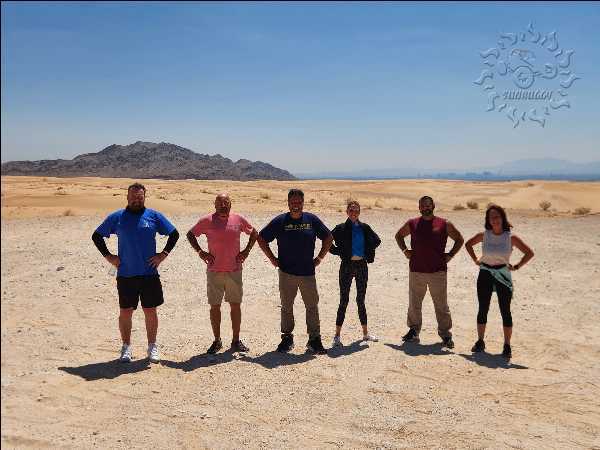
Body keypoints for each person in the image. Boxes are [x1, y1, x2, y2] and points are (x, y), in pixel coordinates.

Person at [91, 183, 179, 363]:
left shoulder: (153, 216)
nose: (136, 200)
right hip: (126, 274)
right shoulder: (117, 217)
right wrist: (109, 257)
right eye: (133, 197)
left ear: (144, 197)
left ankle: (152, 346)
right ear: (127, 197)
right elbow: (97, 236)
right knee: (125, 312)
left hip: (149, 273)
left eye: (140, 197)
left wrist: (162, 255)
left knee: (150, 310)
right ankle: (126, 347)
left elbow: (174, 234)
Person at [257, 189, 333, 354]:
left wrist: (320, 258)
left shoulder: (311, 220)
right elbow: (261, 238)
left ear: (303, 203)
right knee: (286, 306)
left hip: (307, 273)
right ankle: (287, 338)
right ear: (288, 203)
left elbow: (328, 237)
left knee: (312, 306)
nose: (296, 205)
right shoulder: (280, 221)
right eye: (293, 202)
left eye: (299, 202)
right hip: (286, 273)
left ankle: (314, 339)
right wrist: (272, 258)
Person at [186, 193, 258, 354]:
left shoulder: (238, 219)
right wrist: (200, 252)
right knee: (215, 306)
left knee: (235, 305)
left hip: (234, 270)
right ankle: (217, 340)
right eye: (220, 203)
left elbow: (254, 232)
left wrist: (246, 251)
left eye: (226, 202)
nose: (223, 205)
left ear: (230, 204)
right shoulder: (206, 220)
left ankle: (236, 340)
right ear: (215, 205)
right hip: (214, 271)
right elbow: (190, 234)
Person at [464, 204, 534, 359]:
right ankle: (480, 341)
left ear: (502, 218)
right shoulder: (484, 235)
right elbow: (468, 244)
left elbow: (529, 253)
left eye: (497, 216)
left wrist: (517, 266)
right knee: (483, 308)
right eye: (491, 217)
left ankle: (507, 345)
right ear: (488, 220)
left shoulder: (511, 238)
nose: (494, 220)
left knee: (505, 311)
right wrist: (476, 259)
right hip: (485, 273)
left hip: (503, 274)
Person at [395, 196, 464, 349]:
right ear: (419, 208)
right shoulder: (412, 223)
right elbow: (398, 235)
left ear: (433, 206)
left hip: (437, 271)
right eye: (422, 205)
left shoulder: (444, 223)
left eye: (428, 205)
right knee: (414, 303)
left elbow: (459, 239)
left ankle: (445, 334)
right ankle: (414, 330)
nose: (425, 208)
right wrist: (405, 250)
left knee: (441, 305)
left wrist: (451, 255)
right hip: (416, 270)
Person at [329, 200, 381, 347]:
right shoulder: (340, 228)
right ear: (347, 212)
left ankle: (365, 334)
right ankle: (337, 336)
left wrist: (368, 251)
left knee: (361, 300)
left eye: (356, 210)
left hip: (362, 265)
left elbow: (377, 241)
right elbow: (327, 241)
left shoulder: (365, 228)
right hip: (347, 265)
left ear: (359, 212)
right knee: (343, 300)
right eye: (351, 210)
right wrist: (340, 252)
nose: (353, 213)